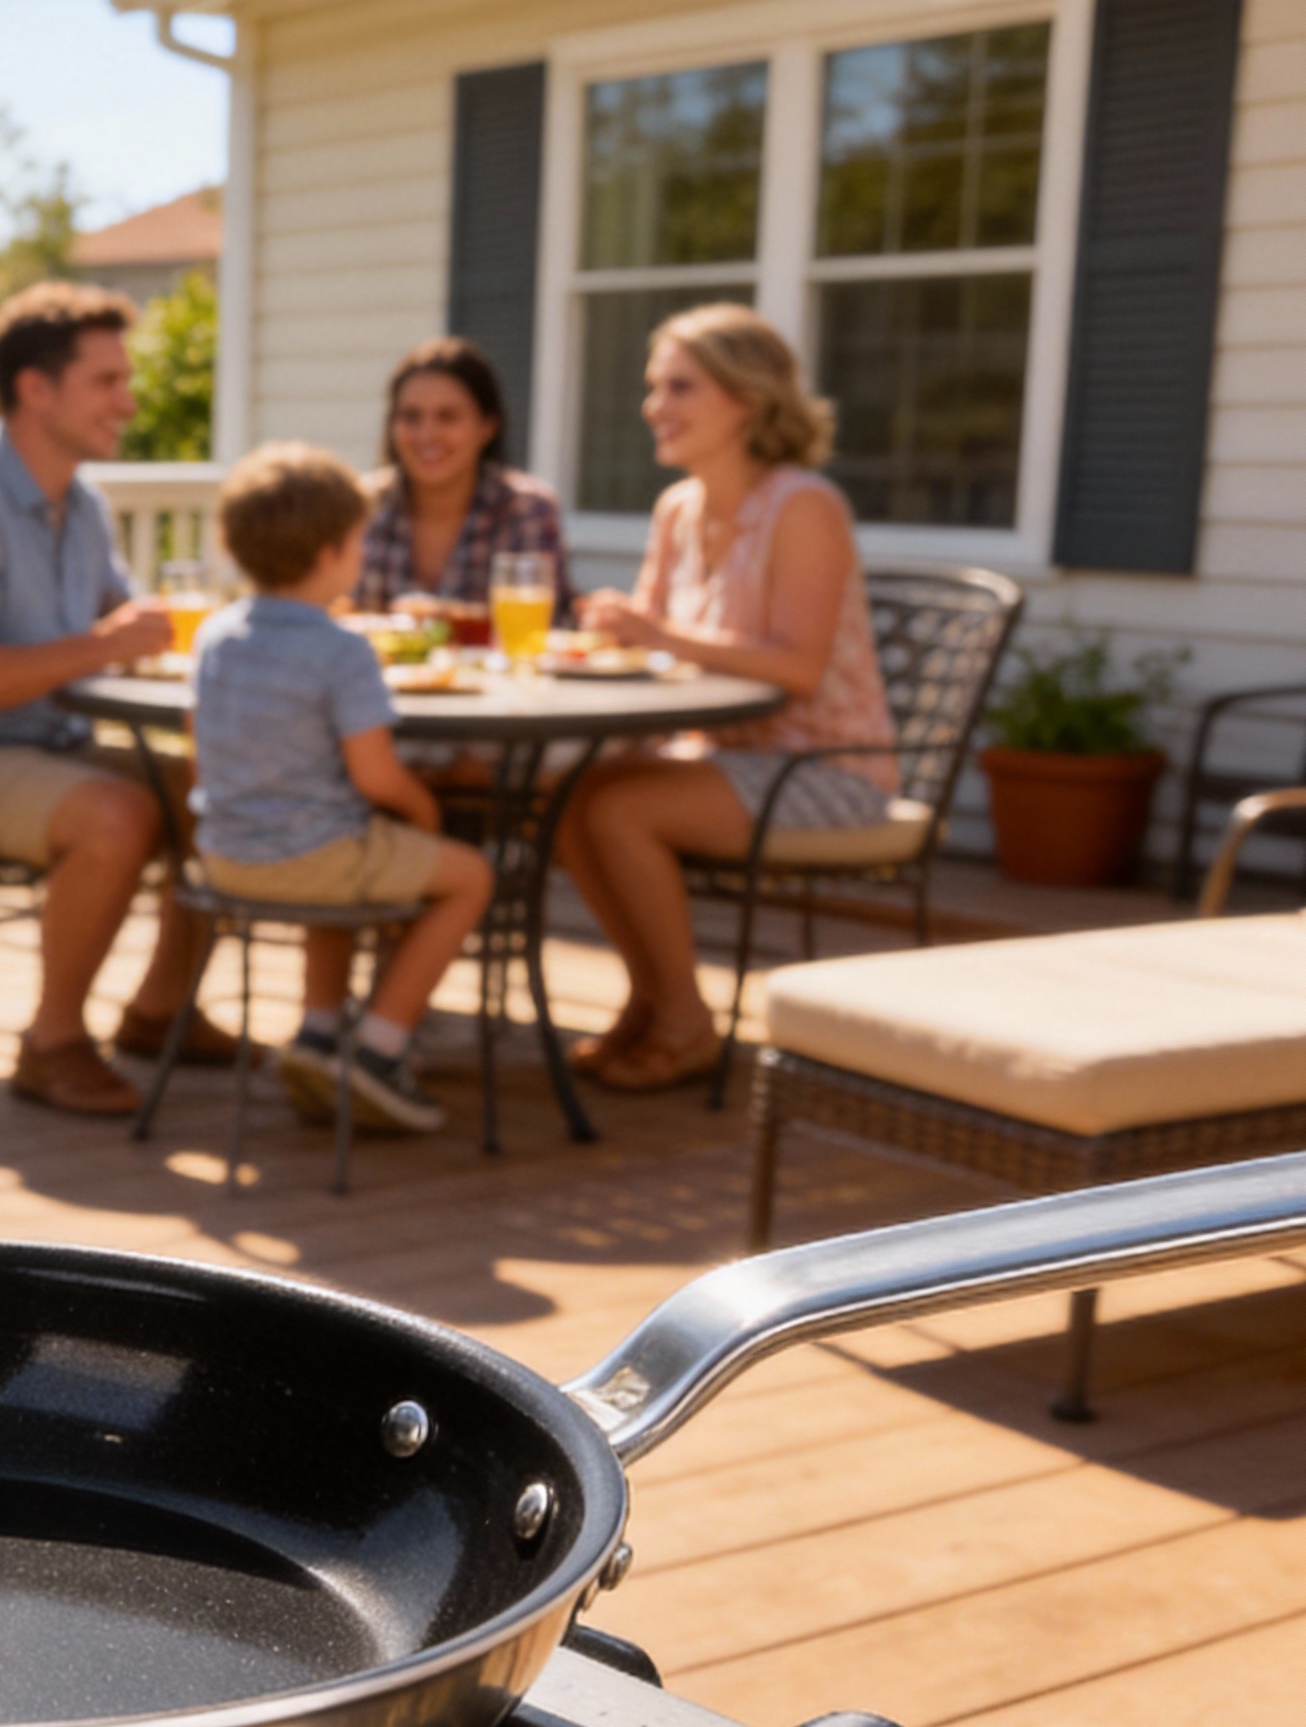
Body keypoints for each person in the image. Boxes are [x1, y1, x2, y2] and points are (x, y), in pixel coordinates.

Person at [0, 282, 221, 1118]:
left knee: (217, 796)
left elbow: (118, 631)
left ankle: (158, 1010)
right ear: (37, 388)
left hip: (48, 746)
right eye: (107, 382)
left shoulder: (81, 503)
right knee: (115, 814)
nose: (128, 402)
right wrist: (105, 645)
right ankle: (53, 1042)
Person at [560, 303, 896, 1094]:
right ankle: (650, 999)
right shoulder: (677, 510)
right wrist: (614, 634)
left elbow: (800, 668)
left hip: (826, 770)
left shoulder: (803, 505)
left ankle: (683, 1020)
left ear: (745, 399)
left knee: (617, 810)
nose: (654, 408)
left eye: (679, 387)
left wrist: (659, 635)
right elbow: (650, 646)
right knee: (564, 791)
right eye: (653, 388)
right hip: (720, 755)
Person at [185, 444, 494, 1135]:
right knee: (469, 876)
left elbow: (198, 749)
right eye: (359, 540)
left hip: (224, 856)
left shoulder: (214, 634)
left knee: (348, 848)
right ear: (330, 554)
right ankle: (379, 1050)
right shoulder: (343, 650)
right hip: (316, 855)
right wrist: (426, 813)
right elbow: (376, 775)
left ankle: (319, 1034)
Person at [356, 339, 565, 625]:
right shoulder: (359, 506)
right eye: (411, 416)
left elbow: (542, 630)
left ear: (487, 427)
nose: (427, 434)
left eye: (448, 417)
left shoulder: (526, 508)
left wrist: (446, 622)